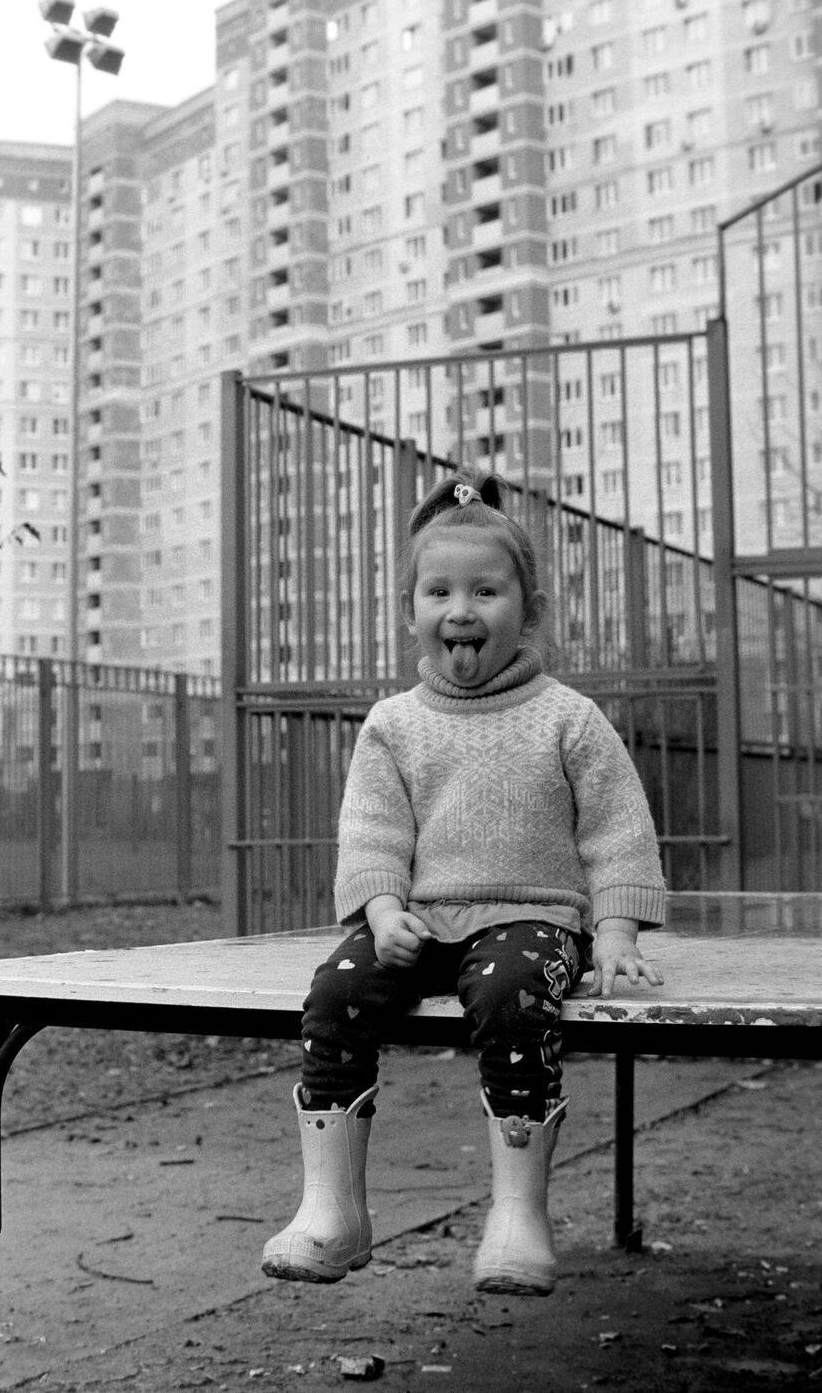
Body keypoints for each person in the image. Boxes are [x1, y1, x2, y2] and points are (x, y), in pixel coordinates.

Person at [261, 469, 666, 1296]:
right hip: (421, 923)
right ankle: (332, 1210)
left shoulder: (568, 717)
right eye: (439, 591)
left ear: (529, 608)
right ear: (411, 609)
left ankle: (518, 1215)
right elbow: (373, 832)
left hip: (533, 920)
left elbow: (617, 828)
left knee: (512, 994)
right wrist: (382, 911)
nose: (461, 609)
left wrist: (616, 930)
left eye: (486, 590)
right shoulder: (394, 724)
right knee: (335, 993)